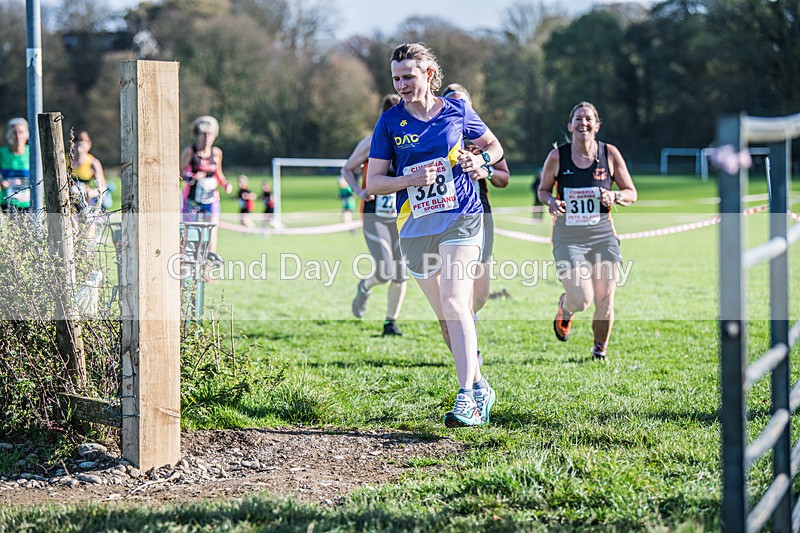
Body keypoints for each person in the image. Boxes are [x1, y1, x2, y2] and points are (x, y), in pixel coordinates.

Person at [367, 43, 504, 427]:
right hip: (415, 226)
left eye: (408, 76)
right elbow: (373, 182)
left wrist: (480, 161)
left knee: (455, 302)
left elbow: (494, 146)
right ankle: (479, 385)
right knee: (446, 316)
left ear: (429, 74)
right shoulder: (390, 122)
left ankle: (466, 399)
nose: (402, 85)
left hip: (461, 216)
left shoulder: (458, 110)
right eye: (396, 78)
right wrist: (406, 179)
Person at [537, 101, 637, 362]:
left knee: (605, 298)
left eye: (589, 119)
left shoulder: (610, 153)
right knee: (582, 298)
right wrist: (551, 202)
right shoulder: (558, 156)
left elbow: (631, 193)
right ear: (570, 125)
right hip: (568, 237)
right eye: (578, 119)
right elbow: (543, 190)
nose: (584, 123)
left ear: (597, 124)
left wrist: (614, 196)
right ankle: (566, 308)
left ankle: (599, 351)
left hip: (602, 235)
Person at [440, 83, 510, 366]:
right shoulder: (438, 134)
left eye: (462, 103)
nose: (458, 107)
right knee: (457, 292)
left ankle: (470, 317)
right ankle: (470, 347)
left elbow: (504, 178)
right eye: (452, 102)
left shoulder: (482, 136)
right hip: (446, 217)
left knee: (479, 293)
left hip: (481, 216)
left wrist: (485, 170)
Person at [343, 93, 407, 337]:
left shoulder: (410, 142)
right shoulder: (371, 142)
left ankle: (390, 323)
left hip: (401, 214)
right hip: (375, 214)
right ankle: (365, 286)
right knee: (385, 269)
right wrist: (359, 190)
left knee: (401, 273)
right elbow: (347, 168)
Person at [180, 115, 232, 256]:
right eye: (204, 134)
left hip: (211, 200)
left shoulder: (216, 153)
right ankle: (187, 265)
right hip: (192, 200)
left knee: (211, 231)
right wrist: (192, 177)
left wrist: (225, 184)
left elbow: (219, 174)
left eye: (210, 134)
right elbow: (178, 173)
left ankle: (208, 267)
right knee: (190, 233)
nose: (207, 137)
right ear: (197, 135)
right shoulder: (190, 152)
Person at [70, 130, 108, 238]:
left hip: (86, 203)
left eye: (82, 146)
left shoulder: (93, 162)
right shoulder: (66, 161)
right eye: (76, 146)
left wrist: (89, 192)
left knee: (88, 233)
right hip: (70, 203)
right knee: (73, 231)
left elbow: (103, 188)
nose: (79, 150)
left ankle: (87, 252)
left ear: (89, 145)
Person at [0, 117, 31, 215]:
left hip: (28, 203)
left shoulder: (33, 153)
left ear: (27, 134)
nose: (18, 136)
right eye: (14, 133)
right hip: (7, 203)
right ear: (9, 135)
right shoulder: (2, 154)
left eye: (21, 132)